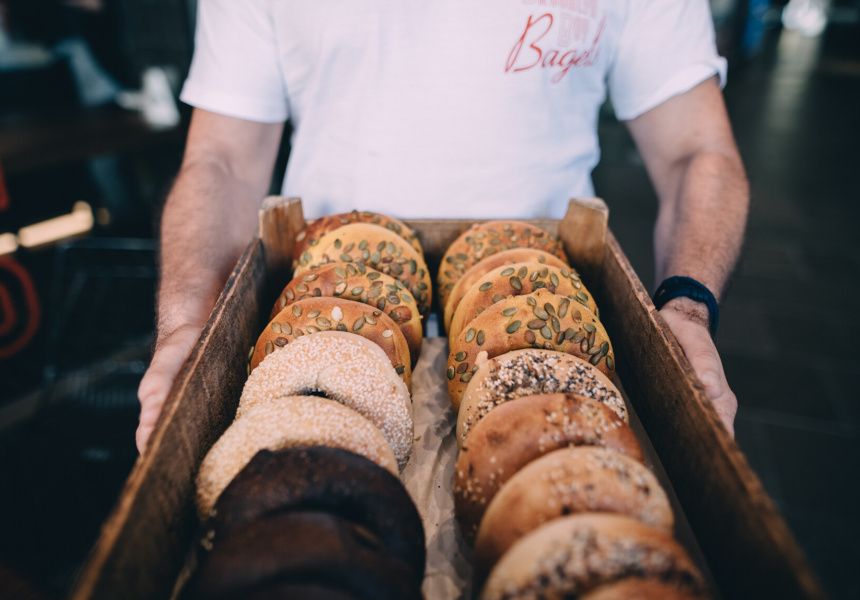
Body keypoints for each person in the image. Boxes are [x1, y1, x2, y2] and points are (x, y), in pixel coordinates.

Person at [136, 0, 749, 452]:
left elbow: (697, 150)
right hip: (310, 316)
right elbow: (222, 160)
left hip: (562, 323)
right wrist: (186, 324)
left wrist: (688, 307)